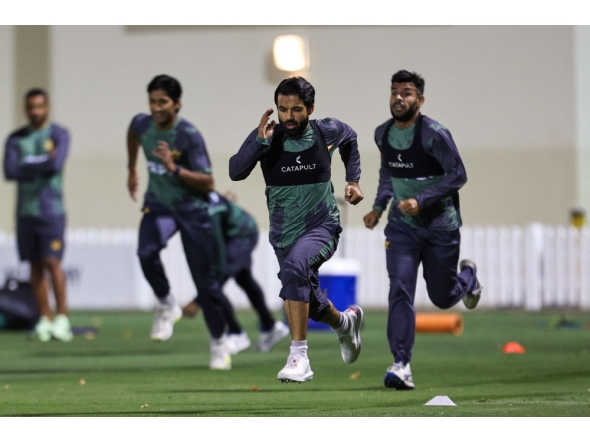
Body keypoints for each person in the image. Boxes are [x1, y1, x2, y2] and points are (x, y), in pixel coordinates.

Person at [229, 76, 365, 383]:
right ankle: (345, 323)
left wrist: (353, 180)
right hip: (284, 235)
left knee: (295, 269)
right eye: (283, 109)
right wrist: (258, 142)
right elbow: (236, 171)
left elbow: (351, 137)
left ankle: (299, 356)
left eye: (296, 110)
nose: (288, 117)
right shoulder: (267, 136)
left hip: (322, 226)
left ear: (310, 108)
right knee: (310, 302)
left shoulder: (326, 130)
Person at [362, 70, 482, 390]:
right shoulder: (382, 134)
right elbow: (389, 172)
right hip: (402, 228)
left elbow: (458, 175)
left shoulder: (434, 134)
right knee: (400, 287)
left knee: (442, 297)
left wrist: (422, 199)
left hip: (440, 226)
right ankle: (401, 364)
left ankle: (467, 278)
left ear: (420, 100)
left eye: (407, 93)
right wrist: (378, 207)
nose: (399, 98)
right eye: (394, 92)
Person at [127, 74, 231, 370]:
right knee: (146, 252)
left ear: (177, 104)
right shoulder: (142, 124)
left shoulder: (188, 136)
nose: (156, 107)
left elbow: (208, 182)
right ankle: (165, 302)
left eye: (163, 102)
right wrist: (131, 169)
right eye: (152, 101)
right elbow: (132, 134)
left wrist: (173, 168)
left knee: (205, 282)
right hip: (159, 205)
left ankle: (219, 341)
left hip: (191, 210)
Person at [182, 191, 290, 354]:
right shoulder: (200, 201)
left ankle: (236, 333)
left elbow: (220, 266)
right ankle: (270, 326)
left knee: (215, 280)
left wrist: (198, 301)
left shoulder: (209, 211)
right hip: (237, 231)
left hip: (241, 234)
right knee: (243, 278)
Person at [3, 88, 72, 342]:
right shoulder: (16, 138)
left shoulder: (58, 134)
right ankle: (45, 318)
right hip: (26, 211)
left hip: (51, 211)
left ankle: (62, 318)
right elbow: (10, 171)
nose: (35, 112)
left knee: (53, 262)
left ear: (48, 107)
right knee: (34, 266)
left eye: (39, 107)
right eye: (30, 107)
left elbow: (56, 165)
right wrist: (41, 165)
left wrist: (28, 166)